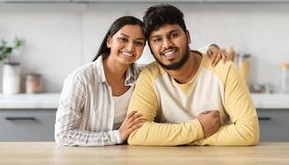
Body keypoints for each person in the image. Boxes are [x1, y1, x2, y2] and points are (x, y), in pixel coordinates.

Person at [54, 15, 229, 147]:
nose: (130, 48)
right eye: (123, 39)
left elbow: (177, 58)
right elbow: (63, 135)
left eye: (138, 43)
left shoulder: (141, 75)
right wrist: (117, 135)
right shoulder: (81, 79)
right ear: (109, 41)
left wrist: (209, 49)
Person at [127, 5, 259, 146]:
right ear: (151, 47)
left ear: (188, 37)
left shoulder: (224, 69)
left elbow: (249, 132)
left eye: (174, 35)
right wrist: (199, 128)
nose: (167, 45)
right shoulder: (149, 76)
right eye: (157, 39)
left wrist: (185, 140)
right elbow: (136, 133)